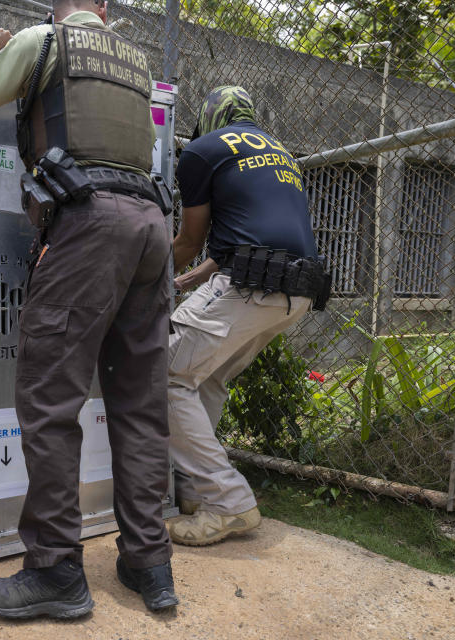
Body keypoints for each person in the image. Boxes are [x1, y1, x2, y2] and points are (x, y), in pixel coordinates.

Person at [0, 0, 177, 618]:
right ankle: (148, 564)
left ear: (58, 5)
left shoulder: (42, 41)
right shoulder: (134, 62)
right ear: (103, 9)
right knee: (139, 405)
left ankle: (55, 571)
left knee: (50, 402)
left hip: (88, 226)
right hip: (151, 229)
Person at [168, 85, 325, 546]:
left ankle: (229, 502)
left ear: (210, 117)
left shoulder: (201, 150)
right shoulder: (280, 153)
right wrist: (182, 284)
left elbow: (189, 243)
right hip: (295, 292)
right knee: (205, 378)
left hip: (250, 289)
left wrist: (144, 274)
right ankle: (199, 492)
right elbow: (230, 246)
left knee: (163, 376)